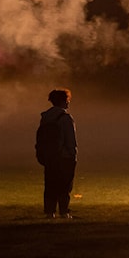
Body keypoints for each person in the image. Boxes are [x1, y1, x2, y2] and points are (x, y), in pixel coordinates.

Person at [38, 88, 77, 218]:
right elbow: (70, 139)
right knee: (65, 185)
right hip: (65, 156)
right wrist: (73, 154)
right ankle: (64, 212)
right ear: (63, 101)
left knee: (50, 184)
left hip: (50, 156)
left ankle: (50, 212)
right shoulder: (65, 118)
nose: (68, 103)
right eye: (67, 100)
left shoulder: (45, 117)